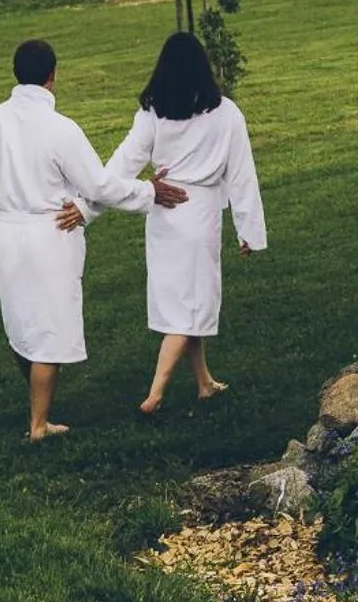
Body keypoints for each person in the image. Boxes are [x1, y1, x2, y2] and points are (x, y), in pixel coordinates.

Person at [0, 37, 186, 441]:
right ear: (52, 76)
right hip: (51, 233)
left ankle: (38, 413)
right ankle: (39, 426)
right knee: (47, 328)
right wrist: (148, 192)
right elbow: (98, 185)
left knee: (21, 322)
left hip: (7, 233)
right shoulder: (60, 129)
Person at [99, 30, 266, 416]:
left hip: (163, 214)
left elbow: (120, 166)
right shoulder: (226, 113)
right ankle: (155, 393)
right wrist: (249, 230)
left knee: (184, 299)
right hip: (199, 213)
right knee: (190, 307)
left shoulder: (152, 113)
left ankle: (204, 381)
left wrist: (123, 192)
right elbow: (241, 175)